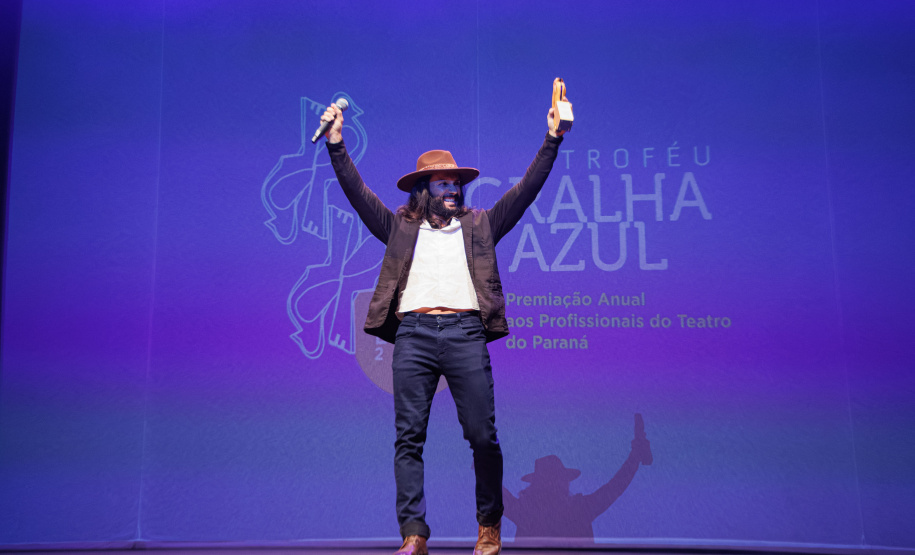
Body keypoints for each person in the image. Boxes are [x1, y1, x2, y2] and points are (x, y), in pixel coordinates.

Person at [319, 96, 569, 555]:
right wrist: (336, 145)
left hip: (465, 335)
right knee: (408, 437)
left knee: (482, 434)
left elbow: (527, 189)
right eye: (443, 182)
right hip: (413, 336)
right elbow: (358, 195)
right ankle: (414, 534)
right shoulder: (400, 227)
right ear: (423, 189)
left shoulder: (479, 225)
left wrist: (552, 137)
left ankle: (488, 526)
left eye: (456, 182)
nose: (452, 188)